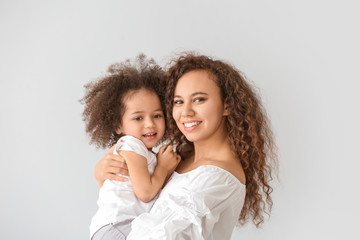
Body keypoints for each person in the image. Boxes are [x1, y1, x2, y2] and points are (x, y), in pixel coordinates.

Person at [95, 53, 278, 239]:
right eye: (178, 102)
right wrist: (105, 178)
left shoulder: (217, 177)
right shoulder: (180, 157)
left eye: (199, 99)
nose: (186, 112)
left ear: (227, 105)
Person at [80, 55, 181, 240]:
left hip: (113, 228)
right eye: (138, 118)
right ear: (118, 126)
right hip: (118, 228)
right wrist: (163, 168)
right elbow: (145, 193)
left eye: (157, 115)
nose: (150, 124)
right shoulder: (132, 145)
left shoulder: (141, 152)